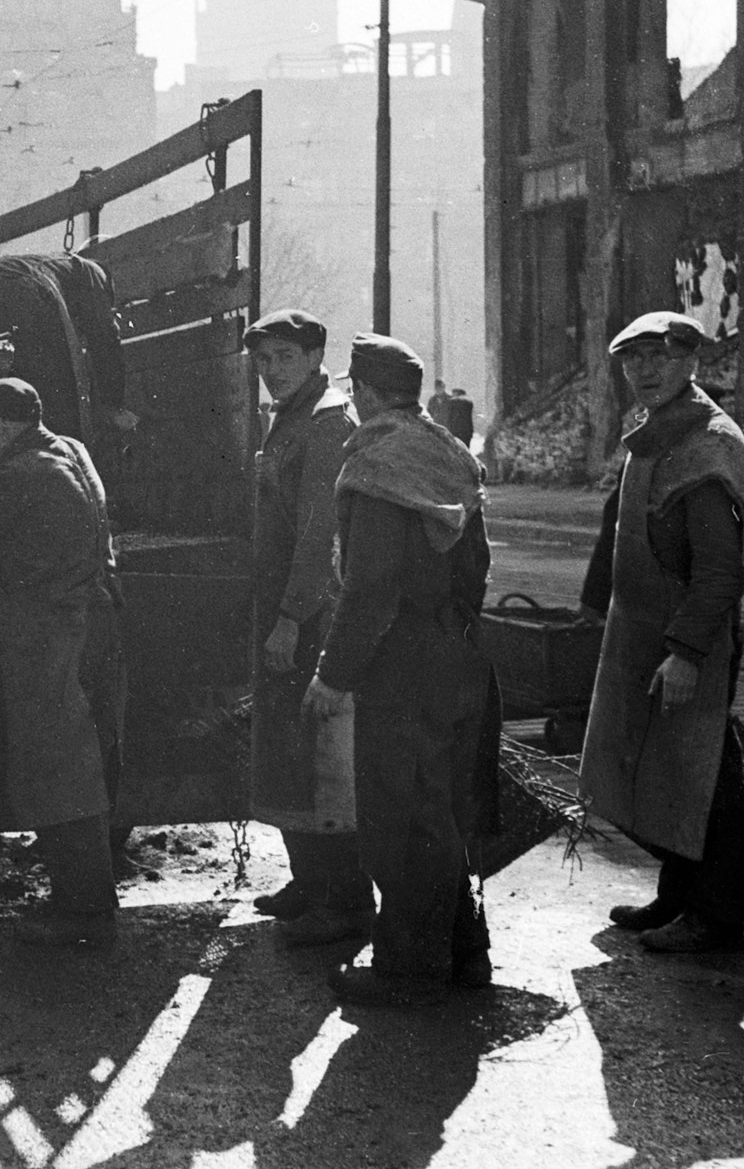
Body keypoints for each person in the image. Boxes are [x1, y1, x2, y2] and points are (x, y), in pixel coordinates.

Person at [303, 333, 497, 1005]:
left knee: (401, 813)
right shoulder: (449, 453)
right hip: (454, 652)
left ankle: (410, 967)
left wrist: (333, 673)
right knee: (438, 804)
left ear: (363, 392)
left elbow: (370, 587)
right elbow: (476, 567)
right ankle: (466, 949)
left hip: (401, 662)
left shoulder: (377, 465)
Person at [577, 312, 744, 954]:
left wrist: (687, 653)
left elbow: (720, 572)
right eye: (633, 359)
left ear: (691, 361)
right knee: (668, 766)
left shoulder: (706, 443)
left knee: (703, 772)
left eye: (661, 355)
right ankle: (678, 895)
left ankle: (714, 916)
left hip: (694, 637)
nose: (645, 370)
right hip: (649, 634)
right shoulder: (657, 435)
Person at [0, 378, 120, 947]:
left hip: (49, 627)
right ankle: (88, 889)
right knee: (87, 751)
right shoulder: (72, 452)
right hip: (96, 614)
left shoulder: (13, 476)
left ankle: (82, 906)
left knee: (56, 758)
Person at [241, 310, 375, 946]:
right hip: (283, 609)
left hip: (312, 614)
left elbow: (320, 537)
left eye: (284, 358)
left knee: (322, 757)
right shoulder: (289, 417)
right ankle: (308, 883)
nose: (271, 372)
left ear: (317, 354)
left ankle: (345, 901)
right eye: (263, 360)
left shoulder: (326, 423)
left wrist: (293, 619)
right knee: (287, 751)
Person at [0, 253, 140, 460]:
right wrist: (114, 405)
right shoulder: (93, 272)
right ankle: (65, 467)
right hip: (22, 288)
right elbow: (105, 337)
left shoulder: (51, 264)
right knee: (61, 395)